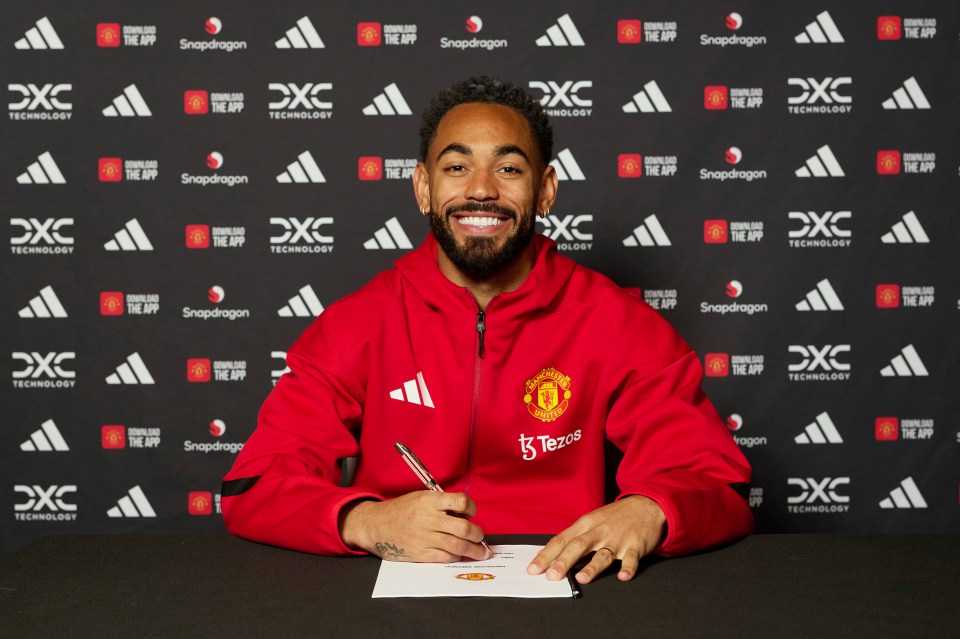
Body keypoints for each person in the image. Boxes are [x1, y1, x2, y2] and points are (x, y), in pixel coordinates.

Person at [222, 76, 753, 585]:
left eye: (509, 168)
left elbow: (718, 484)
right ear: (423, 187)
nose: (481, 189)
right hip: (393, 590)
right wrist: (361, 521)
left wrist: (652, 509)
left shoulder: (618, 322)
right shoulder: (358, 323)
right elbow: (255, 486)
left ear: (545, 191)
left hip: (564, 586)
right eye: (456, 167)